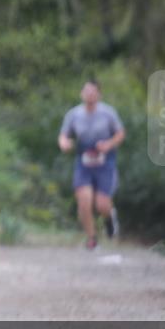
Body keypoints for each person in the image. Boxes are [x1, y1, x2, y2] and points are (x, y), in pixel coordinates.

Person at [57, 80, 125, 251]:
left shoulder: (108, 113)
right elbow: (63, 135)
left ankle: (109, 218)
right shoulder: (74, 114)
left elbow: (120, 133)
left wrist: (108, 144)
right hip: (84, 161)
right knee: (84, 201)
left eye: (93, 92)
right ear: (81, 94)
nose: (89, 95)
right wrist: (64, 143)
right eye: (86, 91)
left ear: (99, 94)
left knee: (101, 203)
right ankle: (92, 239)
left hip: (105, 160)